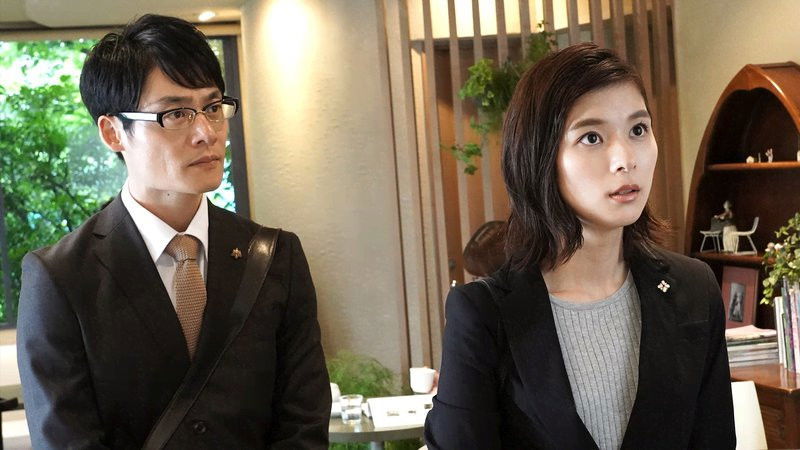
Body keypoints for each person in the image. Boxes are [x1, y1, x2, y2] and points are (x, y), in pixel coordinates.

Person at [16, 14, 330, 449]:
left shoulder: (275, 256)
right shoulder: (62, 276)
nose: (206, 133)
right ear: (113, 132)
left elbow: (303, 424)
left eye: (213, 107)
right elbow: (66, 439)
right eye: (176, 113)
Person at [424, 43, 735, 449]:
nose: (625, 159)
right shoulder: (482, 315)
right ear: (540, 158)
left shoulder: (694, 289)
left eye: (638, 130)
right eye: (591, 137)